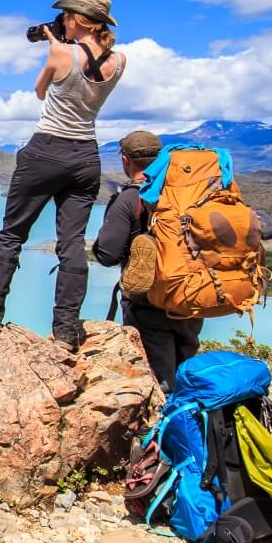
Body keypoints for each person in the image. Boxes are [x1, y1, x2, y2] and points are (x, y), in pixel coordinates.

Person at [0, 0, 126, 349]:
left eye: (67, 16)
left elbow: (40, 91)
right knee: (72, 242)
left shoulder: (60, 53)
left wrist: (55, 46)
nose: (63, 21)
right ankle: (65, 328)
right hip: (86, 156)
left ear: (77, 18)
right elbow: (90, 68)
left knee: (12, 234)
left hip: (46, 149)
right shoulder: (119, 60)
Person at [92, 130, 202, 392]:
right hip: (190, 298)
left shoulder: (129, 198)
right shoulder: (187, 195)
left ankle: (160, 429)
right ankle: (191, 425)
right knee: (184, 372)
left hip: (148, 304)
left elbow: (107, 254)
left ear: (125, 160)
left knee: (156, 381)